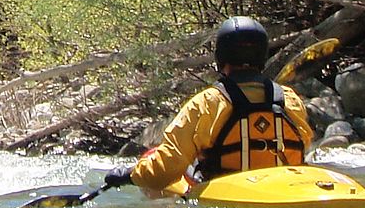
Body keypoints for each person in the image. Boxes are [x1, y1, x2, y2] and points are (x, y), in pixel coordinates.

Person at [104, 16, 315, 195]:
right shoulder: (290, 99)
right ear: (262, 55)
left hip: (228, 194)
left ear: (221, 56)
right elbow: (303, 145)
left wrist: (130, 175)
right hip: (286, 190)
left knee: (153, 161)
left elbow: (164, 170)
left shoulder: (207, 103)